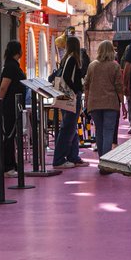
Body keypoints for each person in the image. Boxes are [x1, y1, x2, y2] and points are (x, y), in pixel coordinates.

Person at [84, 39, 124, 164]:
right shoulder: (115, 66)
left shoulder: (92, 65)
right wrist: (122, 103)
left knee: (99, 131)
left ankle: (102, 159)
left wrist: (86, 101)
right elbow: (119, 86)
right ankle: (106, 162)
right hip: (110, 103)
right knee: (108, 131)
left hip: (94, 103)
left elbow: (86, 85)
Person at [52, 34, 84, 168]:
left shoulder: (65, 59)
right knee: (67, 128)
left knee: (70, 127)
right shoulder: (73, 59)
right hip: (71, 96)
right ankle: (59, 159)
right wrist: (77, 89)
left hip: (63, 95)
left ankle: (73, 156)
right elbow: (67, 77)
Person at [0, 40, 26, 177]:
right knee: (8, 135)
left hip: (14, 104)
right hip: (9, 106)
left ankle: (12, 164)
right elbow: (4, 86)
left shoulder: (12, 65)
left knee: (11, 135)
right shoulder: (11, 67)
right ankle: (7, 167)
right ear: (18, 51)